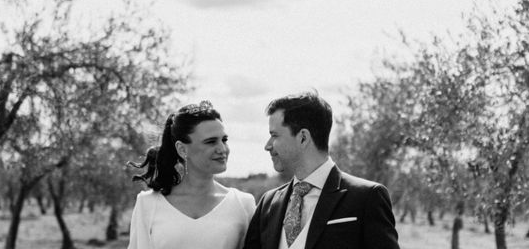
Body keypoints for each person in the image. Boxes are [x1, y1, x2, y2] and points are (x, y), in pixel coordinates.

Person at [243, 92, 400, 249]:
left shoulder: (367, 198)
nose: (267, 145)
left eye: (274, 135)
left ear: (303, 137)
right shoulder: (268, 203)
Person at [127, 100, 255, 249]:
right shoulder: (148, 204)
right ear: (182, 149)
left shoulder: (243, 204)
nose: (222, 149)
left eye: (224, 140)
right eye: (211, 142)